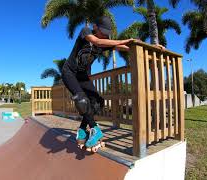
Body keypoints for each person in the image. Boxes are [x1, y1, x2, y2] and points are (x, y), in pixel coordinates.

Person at [61, 16, 163, 150]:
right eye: (102, 31)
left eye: (106, 33)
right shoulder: (86, 31)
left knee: (98, 102)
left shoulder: (105, 43)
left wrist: (152, 47)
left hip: (82, 76)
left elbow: (127, 47)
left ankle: (81, 130)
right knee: (81, 100)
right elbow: (96, 41)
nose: (104, 35)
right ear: (95, 26)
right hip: (69, 72)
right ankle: (95, 129)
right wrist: (123, 39)